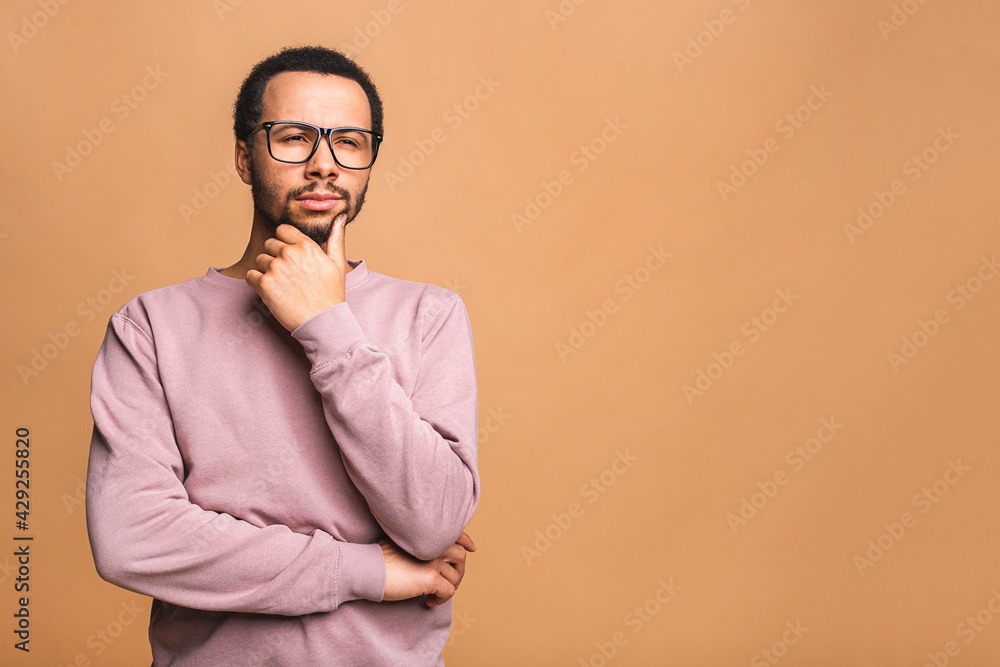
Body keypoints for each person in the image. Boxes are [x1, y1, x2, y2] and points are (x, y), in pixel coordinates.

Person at [85, 45, 480, 666]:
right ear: (245, 157)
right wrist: (363, 569)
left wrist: (328, 326)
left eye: (349, 142)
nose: (324, 164)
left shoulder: (430, 315)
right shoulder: (151, 327)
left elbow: (431, 524)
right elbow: (132, 539)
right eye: (294, 137)